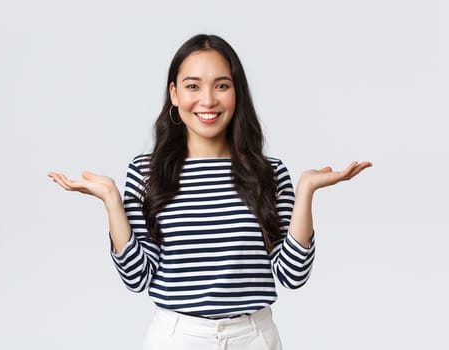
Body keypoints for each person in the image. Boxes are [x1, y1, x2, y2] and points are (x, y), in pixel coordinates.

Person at [47, 34, 371, 350]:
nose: (208, 100)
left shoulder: (269, 173)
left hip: (254, 337)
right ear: (174, 94)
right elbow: (136, 277)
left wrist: (306, 192)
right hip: (176, 338)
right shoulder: (146, 171)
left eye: (221, 85)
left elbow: (293, 274)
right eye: (192, 86)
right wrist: (111, 201)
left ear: (236, 93)